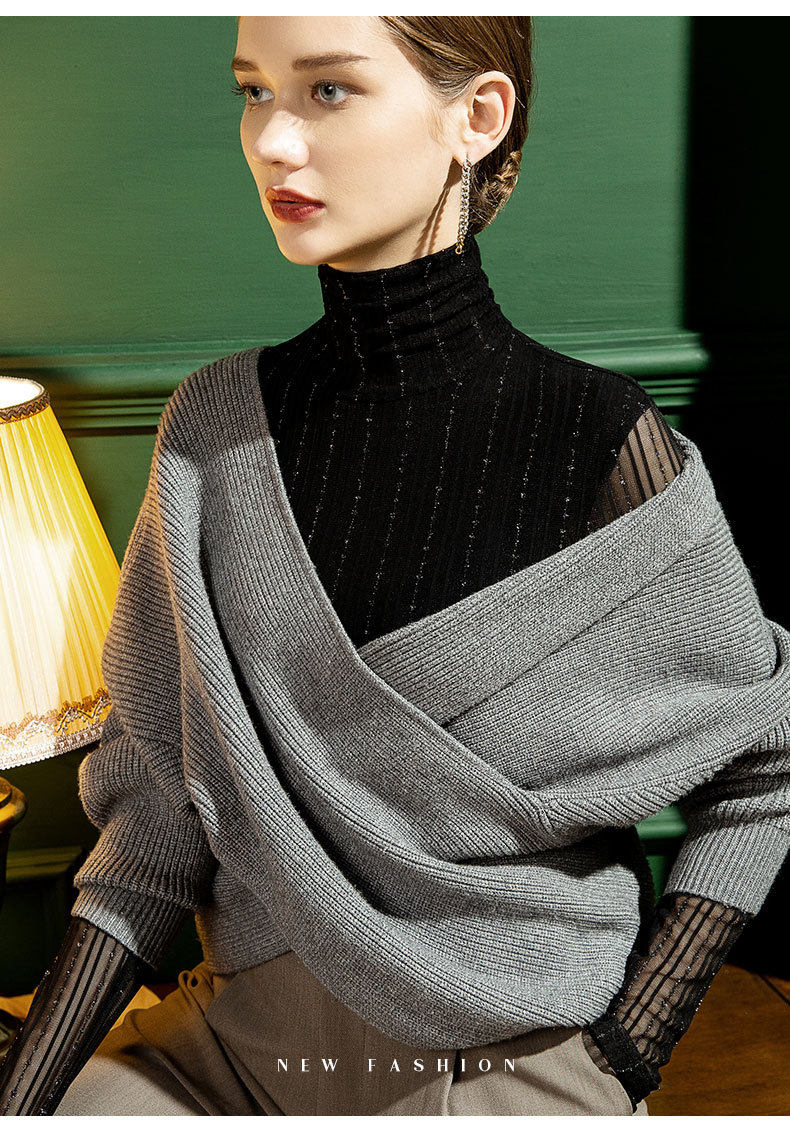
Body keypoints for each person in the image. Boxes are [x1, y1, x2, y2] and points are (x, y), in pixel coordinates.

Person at [0, 15, 781, 1117]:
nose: (273, 141)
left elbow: (765, 768)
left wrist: (634, 1041)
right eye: (254, 91)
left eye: (328, 91)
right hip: (231, 1051)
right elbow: (155, 828)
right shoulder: (209, 436)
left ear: (478, 117)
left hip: (497, 1061)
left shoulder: (600, 439)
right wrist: (23, 1096)